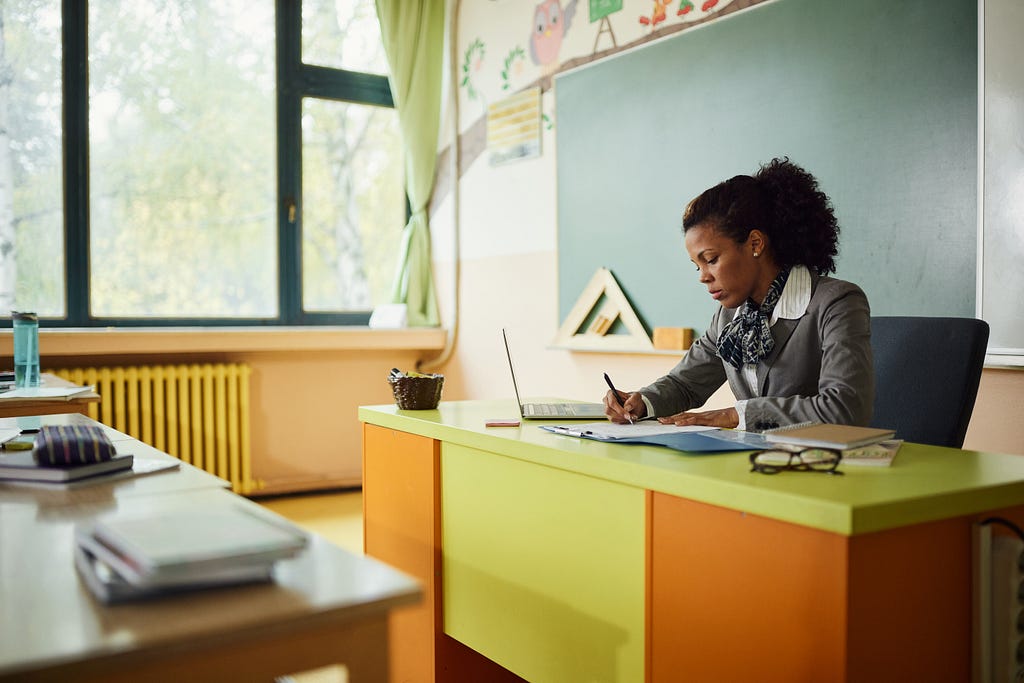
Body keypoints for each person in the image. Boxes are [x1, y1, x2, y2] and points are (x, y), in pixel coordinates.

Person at [604, 157, 874, 431]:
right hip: (754, 461)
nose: (703, 276)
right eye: (697, 265)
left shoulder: (836, 303)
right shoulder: (731, 315)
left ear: (755, 244)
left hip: (823, 465)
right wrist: (641, 402)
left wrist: (737, 415)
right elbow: (686, 383)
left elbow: (845, 409)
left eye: (711, 259)